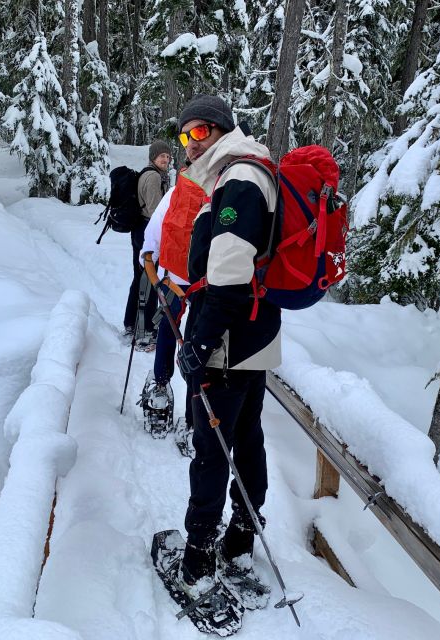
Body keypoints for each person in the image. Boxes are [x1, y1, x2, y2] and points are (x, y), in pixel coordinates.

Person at [173, 95, 280, 595]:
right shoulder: (240, 173)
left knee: (213, 445)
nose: (190, 144)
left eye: (199, 133)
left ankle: (198, 557)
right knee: (246, 432)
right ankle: (241, 534)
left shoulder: (238, 179)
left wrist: (201, 340)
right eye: (184, 135)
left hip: (230, 334)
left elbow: (230, 274)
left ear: (219, 130)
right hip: (256, 330)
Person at [139, 151, 204, 454]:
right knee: (197, 343)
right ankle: (194, 415)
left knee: (168, 331)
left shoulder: (176, 195)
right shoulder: (219, 194)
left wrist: (150, 268)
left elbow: (151, 240)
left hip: (173, 282)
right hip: (206, 286)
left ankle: (161, 390)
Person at [123, 140, 171, 350]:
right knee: (148, 280)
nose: (166, 160)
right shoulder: (152, 177)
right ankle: (144, 333)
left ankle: (131, 323)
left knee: (140, 278)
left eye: (168, 157)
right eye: (162, 156)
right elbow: (155, 210)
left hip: (142, 231)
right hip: (148, 232)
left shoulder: (153, 174)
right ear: (153, 157)